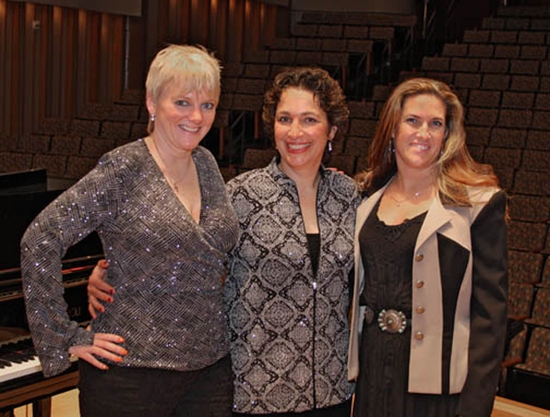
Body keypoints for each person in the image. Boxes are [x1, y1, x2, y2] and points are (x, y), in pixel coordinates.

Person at [88, 66, 361, 416]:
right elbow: (175, 258)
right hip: (257, 390)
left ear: (332, 130)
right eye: (284, 119)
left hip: (331, 388)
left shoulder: (350, 196)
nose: (295, 132)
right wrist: (109, 275)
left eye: (309, 120)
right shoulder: (237, 196)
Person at [21, 44, 239, 417]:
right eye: (183, 102)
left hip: (210, 371)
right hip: (129, 376)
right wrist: (64, 335)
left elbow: (207, 254)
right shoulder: (123, 169)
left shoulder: (206, 163)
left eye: (208, 105)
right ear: (152, 102)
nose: (197, 117)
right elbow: (39, 239)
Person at [348, 77, 508, 417]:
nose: (424, 133)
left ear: (448, 135)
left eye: (436, 124)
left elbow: (490, 320)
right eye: (413, 121)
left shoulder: (477, 206)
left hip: (438, 389)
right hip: (373, 376)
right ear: (392, 129)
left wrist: (475, 407)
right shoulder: (363, 200)